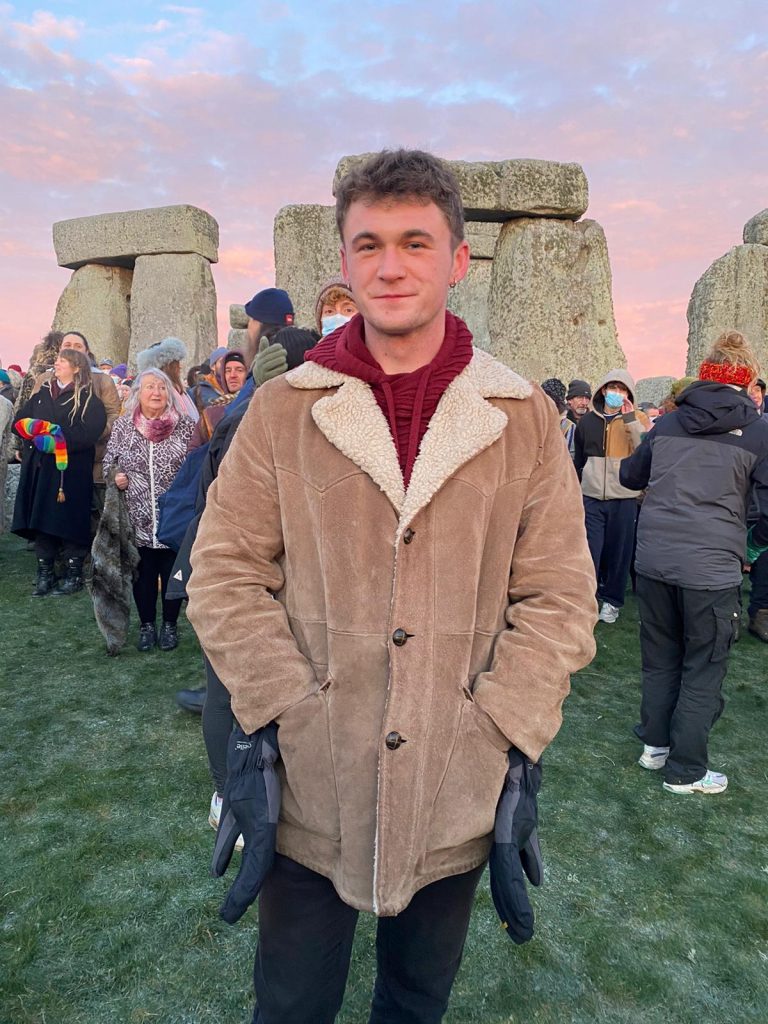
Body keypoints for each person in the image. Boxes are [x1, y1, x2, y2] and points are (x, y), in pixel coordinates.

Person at [187, 148, 597, 1024]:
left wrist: (498, 724)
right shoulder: (285, 410)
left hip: (456, 778)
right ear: (344, 262)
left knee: (416, 1001)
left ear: (457, 260)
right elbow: (223, 571)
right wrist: (288, 705)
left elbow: (560, 596)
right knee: (291, 1001)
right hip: (308, 777)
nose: (390, 264)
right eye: (369, 244)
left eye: (415, 242)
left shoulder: (522, 418)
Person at [620, 331, 768, 795]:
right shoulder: (760, 432)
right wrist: (751, 547)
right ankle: (686, 769)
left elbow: (630, 475)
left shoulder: (668, 422)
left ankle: (656, 745)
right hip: (711, 567)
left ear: (705, 374)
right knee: (703, 665)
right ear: (747, 380)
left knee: (661, 657)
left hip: (656, 560)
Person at [103, 368, 194, 651]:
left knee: (171, 573)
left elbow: (197, 467)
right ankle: (146, 626)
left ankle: (169, 625)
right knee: (142, 574)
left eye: (162, 387)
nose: (156, 393)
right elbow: (108, 463)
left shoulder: (186, 426)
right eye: (150, 387)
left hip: (174, 516)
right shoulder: (123, 427)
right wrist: (115, 475)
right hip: (136, 514)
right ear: (138, 394)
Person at [12, 348, 106, 595]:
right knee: (41, 518)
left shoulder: (87, 400)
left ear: (77, 368)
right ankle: (45, 572)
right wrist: (35, 431)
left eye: (63, 361)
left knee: (70, 519)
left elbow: (89, 433)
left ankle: (73, 573)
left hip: (70, 472)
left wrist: (57, 440)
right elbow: (19, 422)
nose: (58, 364)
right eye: (58, 361)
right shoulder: (41, 396)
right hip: (40, 469)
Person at [574, 370, 650, 623]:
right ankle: (586, 598)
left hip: (624, 496)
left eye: (621, 388)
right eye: (612, 387)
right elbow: (580, 459)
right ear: (603, 390)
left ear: (628, 393)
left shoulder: (636, 418)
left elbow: (644, 451)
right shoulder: (586, 422)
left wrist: (629, 418)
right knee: (589, 551)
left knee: (620, 551)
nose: (616, 392)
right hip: (592, 495)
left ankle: (612, 601)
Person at [32, 332, 121, 528]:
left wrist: (91, 434)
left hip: (92, 453)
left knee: (88, 507)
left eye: (77, 346)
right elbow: (33, 411)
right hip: (50, 452)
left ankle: (83, 550)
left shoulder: (102, 380)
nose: (72, 348)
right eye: (67, 344)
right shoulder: (45, 379)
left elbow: (114, 414)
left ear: (86, 352)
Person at [188, 351, 248, 449]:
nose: (233, 375)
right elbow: (193, 449)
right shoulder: (210, 413)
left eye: (239, 370)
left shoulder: (256, 405)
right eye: (227, 370)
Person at [136, 336, 199, 422]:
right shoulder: (161, 393)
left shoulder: (178, 389)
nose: (180, 366)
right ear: (168, 366)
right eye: (176, 364)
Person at [563, 379, 591, 459]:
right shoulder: (561, 421)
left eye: (587, 398)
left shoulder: (592, 422)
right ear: (570, 400)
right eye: (580, 398)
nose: (584, 403)